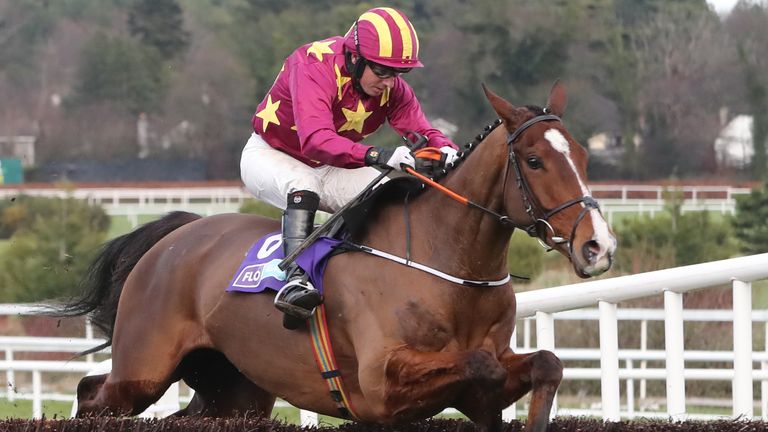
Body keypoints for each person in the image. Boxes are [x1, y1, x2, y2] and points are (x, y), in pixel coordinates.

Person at [240, 6, 459, 328]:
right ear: (354, 58)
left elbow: (422, 131)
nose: (390, 82)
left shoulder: (392, 88)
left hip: (332, 165)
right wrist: (376, 155)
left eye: (398, 74)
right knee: (305, 185)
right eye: (382, 72)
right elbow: (315, 140)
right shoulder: (313, 65)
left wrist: (448, 151)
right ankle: (295, 279)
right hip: (272, 154)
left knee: (389, 191)